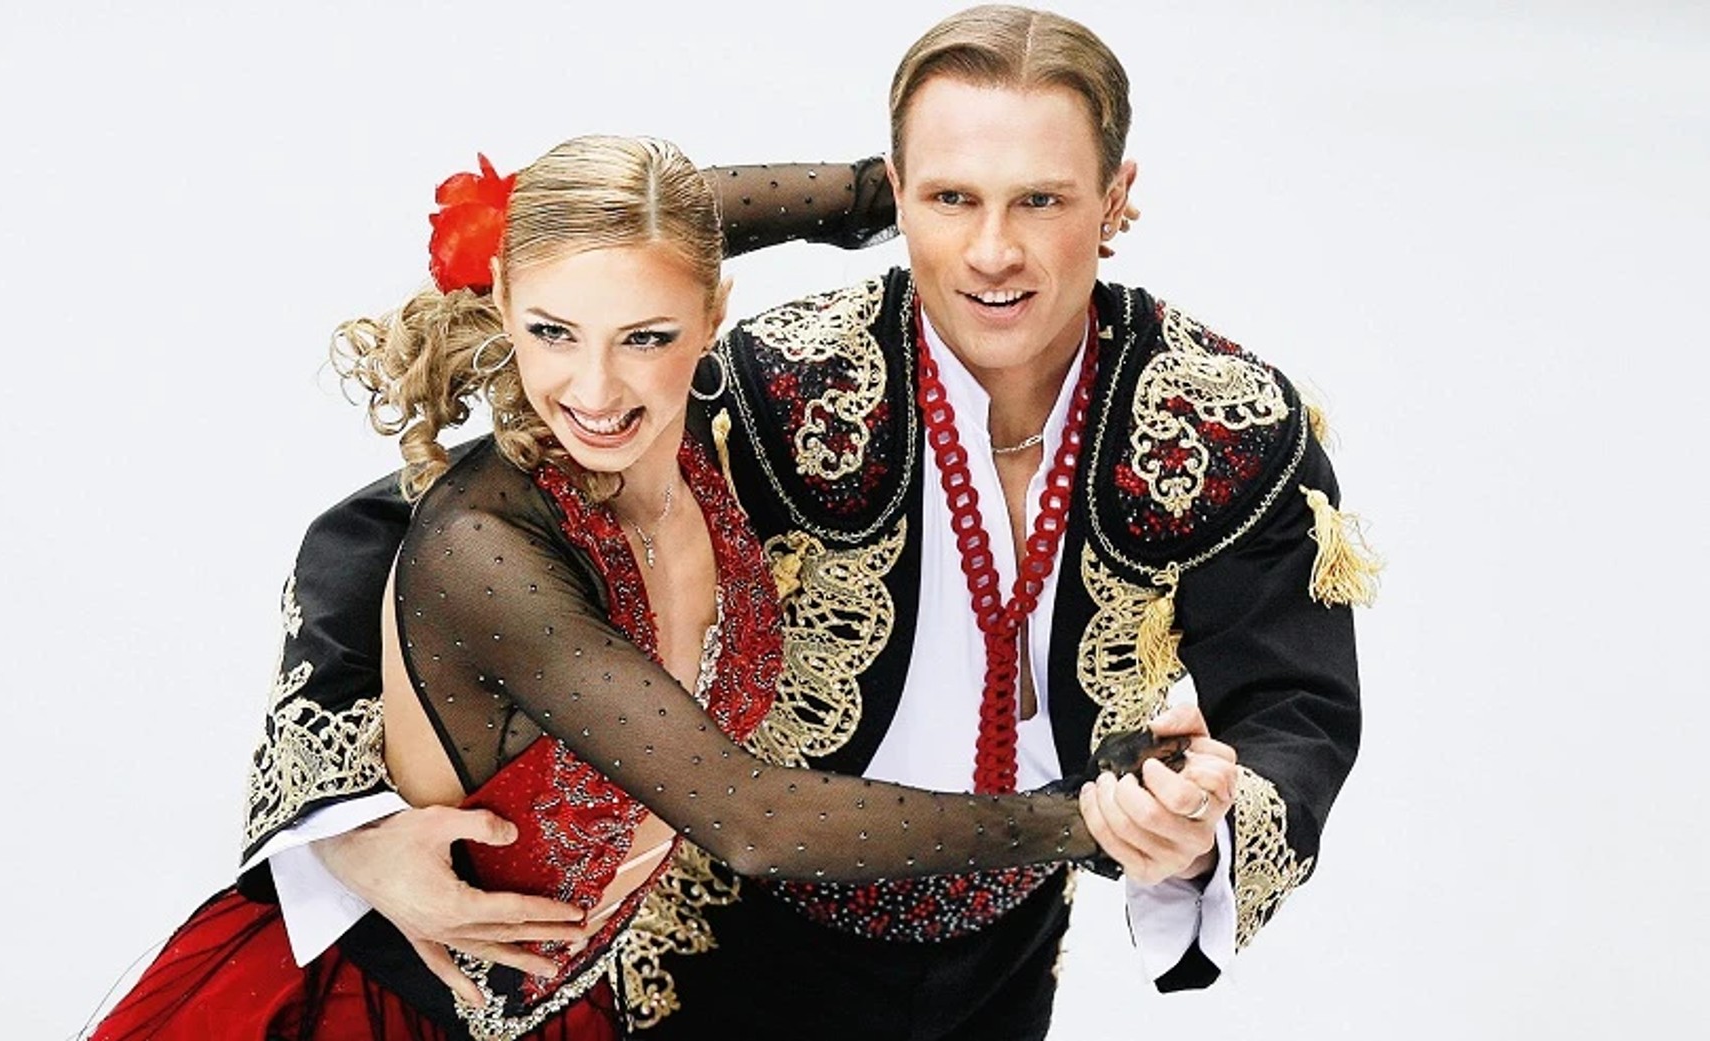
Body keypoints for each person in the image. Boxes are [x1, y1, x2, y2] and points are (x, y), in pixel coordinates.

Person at [235, 6, 1375, 1039]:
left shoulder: (1224, 422)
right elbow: (414, 527)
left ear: (1116, 199)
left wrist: (1194, 828)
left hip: (1011, 954)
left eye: (1041, 198)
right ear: (901, 192)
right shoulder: (781, 381)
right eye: (952, 199)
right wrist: (345, 828)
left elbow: (1293, 704)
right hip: (730, 947)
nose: (993, 252)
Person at [90, 133, 1158, 1041]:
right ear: (504, 300)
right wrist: (1088, 819)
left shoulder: (693, 437)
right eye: (552, 332)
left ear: (712, 316)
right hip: (373, 1011)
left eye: (646, 338)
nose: (594, 390)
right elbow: (750, 818)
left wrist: (919, 197)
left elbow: (656, 225)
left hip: (586, 1008)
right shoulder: (490, 546)